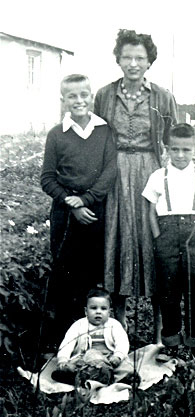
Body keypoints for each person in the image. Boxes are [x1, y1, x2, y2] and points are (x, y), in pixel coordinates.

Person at [94, 29, 178, 340]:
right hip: (113, 174)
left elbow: (175, 142)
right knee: (115, 241)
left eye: (139, 58)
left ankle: (158, 330)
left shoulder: (161, 97)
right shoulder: (104, 95)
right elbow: (94, 138)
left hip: (149, 173)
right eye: (127, 57)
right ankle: (118, 325)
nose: (133, 63)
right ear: (118, 59)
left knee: (151, 242)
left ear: (149, 62)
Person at [41, 74, 117, 347]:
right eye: (72, 96)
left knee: (93, 276)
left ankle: (95, 341)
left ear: (91, 97)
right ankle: (65, 341)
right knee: (65, 277)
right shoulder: (57, 134)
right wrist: (70, 202)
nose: (79, 101)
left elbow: (110, 172)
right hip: (66, 216)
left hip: (96, 213)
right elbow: (47, 179)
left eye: (84, 95)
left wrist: (86, 199)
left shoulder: (105, 130)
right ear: (63, 100)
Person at [142, 123, 195, 361]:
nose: (181, 155)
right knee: (168, 291)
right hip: (166, 235)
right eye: (175, 149)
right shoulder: (158, 176)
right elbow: (151, 210)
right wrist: (157, 236)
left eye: (186, 150)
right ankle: (172, 341)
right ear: (167, 149)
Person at [51, 287, 130, 385]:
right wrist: (63, 358)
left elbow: (122, 342)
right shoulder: (79, 325)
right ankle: (75, 375)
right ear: (86, 311)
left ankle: (125, 377)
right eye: (93, 308)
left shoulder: (114, 325)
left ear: (109, 312)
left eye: (103, 308)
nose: (98, 312)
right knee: (73, 365)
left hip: (110, 359)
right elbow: (67, 343)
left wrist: (118, 356)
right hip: (85, 358)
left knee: (125, 366)